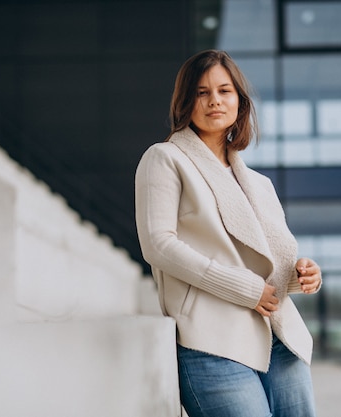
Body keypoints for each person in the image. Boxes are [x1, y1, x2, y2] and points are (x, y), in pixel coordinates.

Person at [134, 49, 323, 417]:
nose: (215, 101)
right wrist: (245, 289)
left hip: (278, 336)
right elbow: (158, 244)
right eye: (202, 92)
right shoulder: (164, 159)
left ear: (240, 101)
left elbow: (269, 263)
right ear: (185, 102)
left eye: (225, 90)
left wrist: (303, 277)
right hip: (211, 342)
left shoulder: (259, 183)